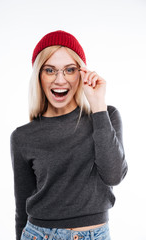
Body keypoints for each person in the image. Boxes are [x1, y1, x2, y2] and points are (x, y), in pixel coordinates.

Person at [10, 30, 128, 240]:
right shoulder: (22, 137)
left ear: (81, 73)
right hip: (37, 234)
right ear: (39, 75)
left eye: (69, 70)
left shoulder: (105, 116)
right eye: (50, 70)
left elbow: (114, 176)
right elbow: (22, 208)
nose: (60, 80)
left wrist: (98, 106)